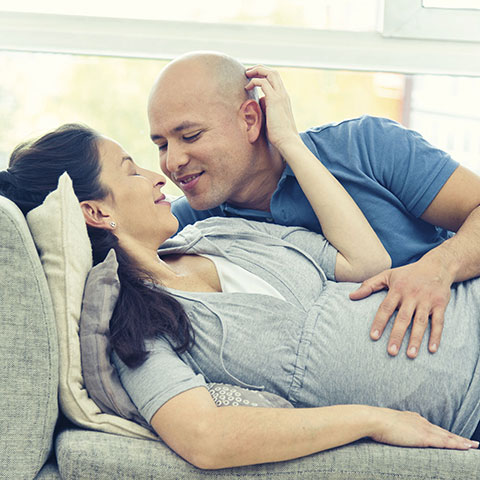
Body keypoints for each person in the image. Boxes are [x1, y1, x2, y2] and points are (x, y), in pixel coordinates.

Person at [1, 117, 480, 469]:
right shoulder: (138, 322)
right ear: (97, 213)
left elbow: (367, 263)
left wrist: (289, 142)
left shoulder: (220, 233)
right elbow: (205, 437)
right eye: (130, 169)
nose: (158, 174)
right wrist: (373, 420)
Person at [147, 52, 480, 360]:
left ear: (250, 119)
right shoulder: (187, 228)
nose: (173, 161)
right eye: (161, 145)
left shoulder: (367, 145)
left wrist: (440, 266)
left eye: (190, 136)